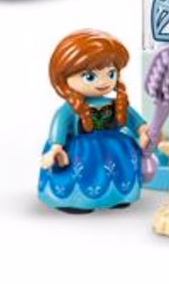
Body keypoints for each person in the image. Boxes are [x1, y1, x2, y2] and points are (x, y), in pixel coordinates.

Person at [38, 29, 149, 212]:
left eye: (111, 73)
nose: (103, 82)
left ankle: (119, 195)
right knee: (83, 171)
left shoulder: (116, 103)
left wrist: (143, 131)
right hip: (81, 149)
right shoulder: (70, 108)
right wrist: (56, 147)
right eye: (90, 76)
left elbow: (136, 121)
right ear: (63, 78)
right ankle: (76, 200)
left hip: (115, 146)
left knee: (120, 168)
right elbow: (59, 126)